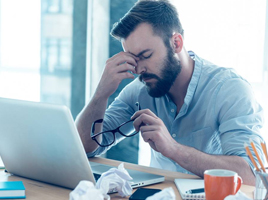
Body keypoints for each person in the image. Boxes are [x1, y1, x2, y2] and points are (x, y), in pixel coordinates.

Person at [76, 0, 265, 185]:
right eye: (133, 60)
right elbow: (85, 148)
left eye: (146, 56)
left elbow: (251, 175)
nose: (139, 69)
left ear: (176, 43)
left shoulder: (230, 90)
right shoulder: (139, 91)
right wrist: (101, 93)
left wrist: (174, 149)